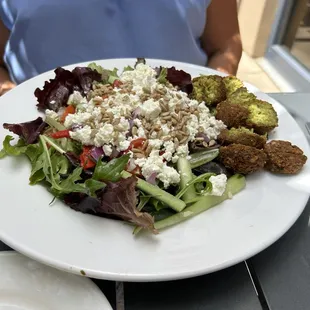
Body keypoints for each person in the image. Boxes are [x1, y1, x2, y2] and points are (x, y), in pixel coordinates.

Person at [0, 0, 242, 95]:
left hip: (183, 124)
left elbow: (225, 45)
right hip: (45, 133)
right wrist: (9, 98)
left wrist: (216, 94)